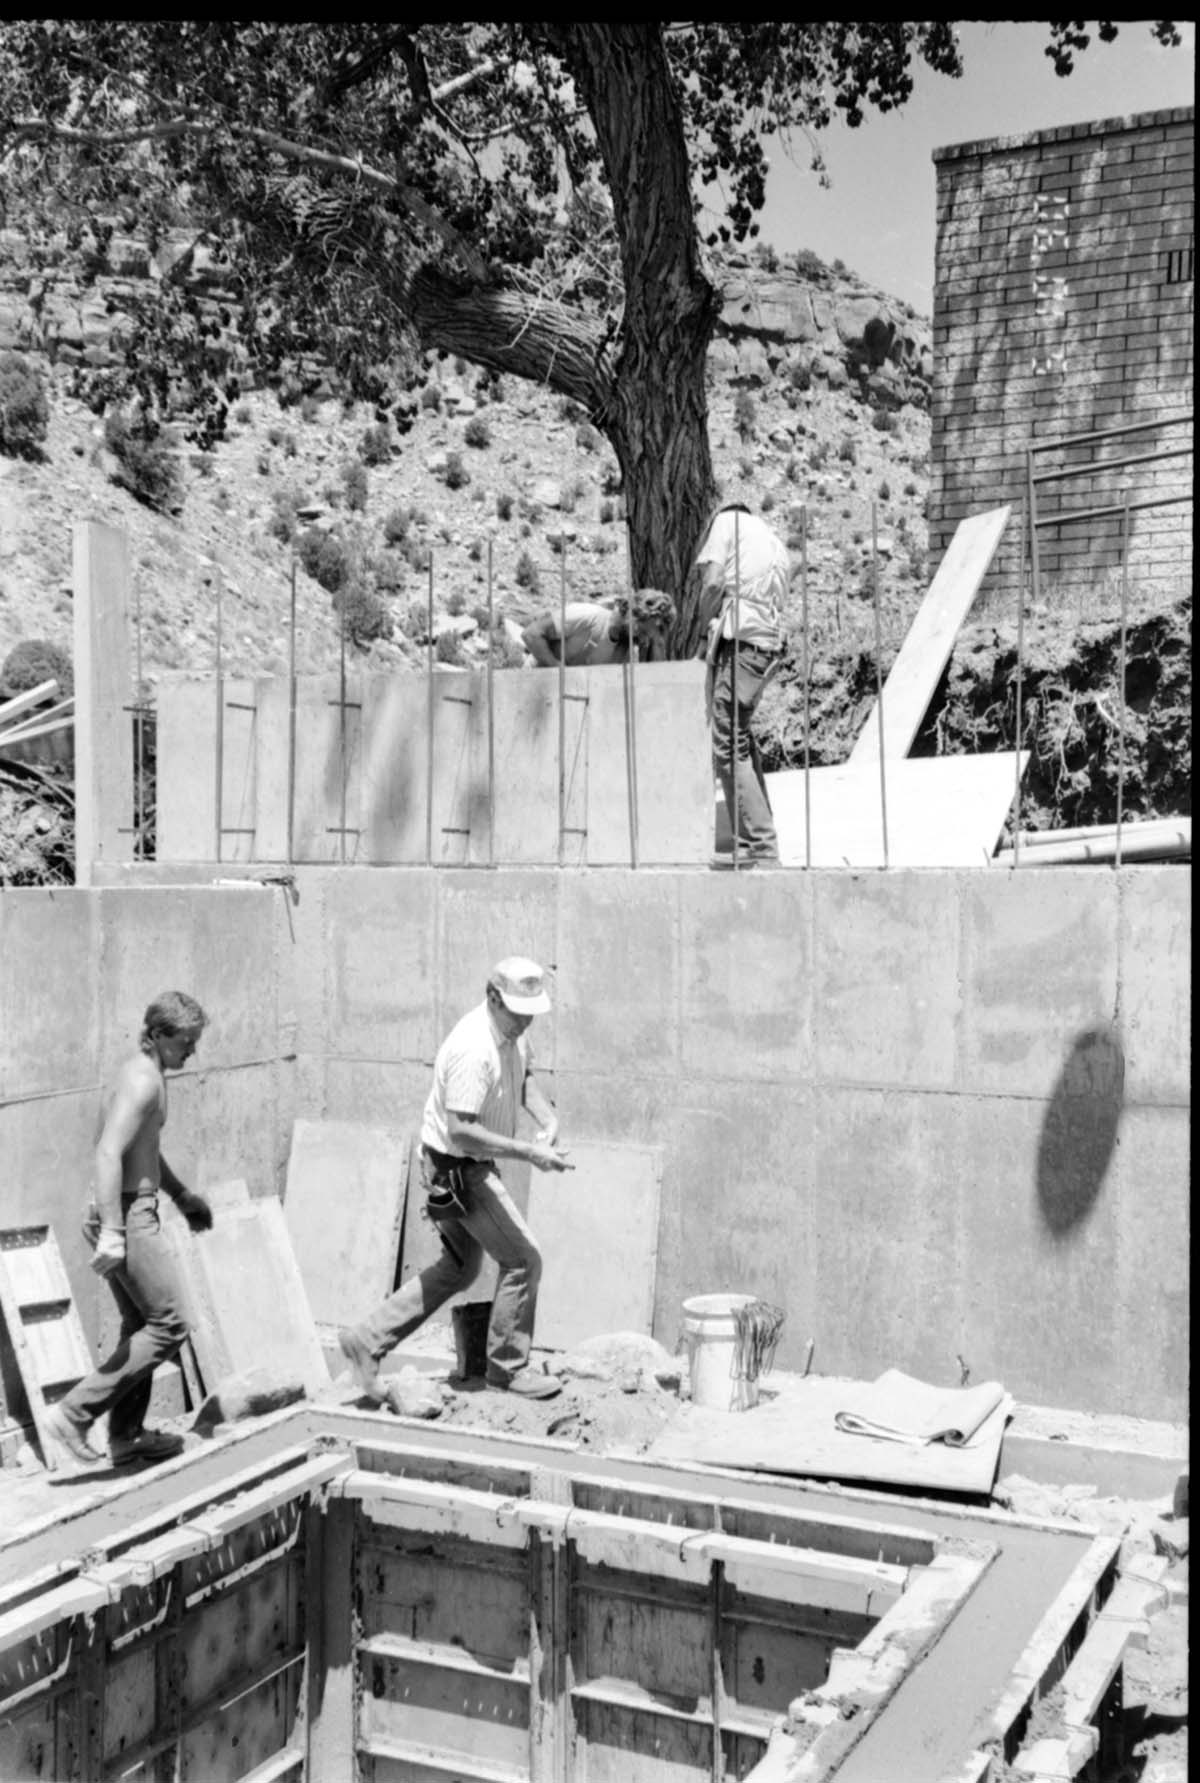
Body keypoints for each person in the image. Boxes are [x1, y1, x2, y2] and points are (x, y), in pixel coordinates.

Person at [339, 957, 572, 1401]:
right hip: (457, 1170)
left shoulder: (512, 1035)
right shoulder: (472, 1048)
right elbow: (463, 1131)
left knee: (462, 1267)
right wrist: (528, 1152)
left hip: (458, 1166)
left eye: (531, 1013)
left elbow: (524, 1082)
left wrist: (547, 1118)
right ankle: (508, 1369)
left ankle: (366, 1340)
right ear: (492, 998)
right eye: (518, 1012)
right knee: (523, 1259)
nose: (525, 1022)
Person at [42, 992, 214, 1469]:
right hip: (127, 1214)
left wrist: (180, 1197)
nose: (192, 1051)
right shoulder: (142, 1081)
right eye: (186, 1041)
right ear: (159, 1035)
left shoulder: (150, 1072)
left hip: (125, 1208)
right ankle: (75, 1413)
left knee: (141, 1325)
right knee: (170, 1324)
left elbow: (145, 1147)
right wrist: (115, 1230)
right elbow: (107, 1152)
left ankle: (126, 1437)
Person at [693, 499, 788, 864]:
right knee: (741, 738)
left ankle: (759, 846)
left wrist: (703, 630)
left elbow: (714, 582)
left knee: (728, 742)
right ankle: (754, 841)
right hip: (765, 644)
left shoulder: (725, 524)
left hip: (742, 642)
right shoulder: (769, 538)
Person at [522, 588, 675, 667]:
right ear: (632, 613)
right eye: (642, 631)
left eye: (648, 637)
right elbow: (531, 634)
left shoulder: (627, 656)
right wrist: (557, 668)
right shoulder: (587, 616)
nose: (643, 640)